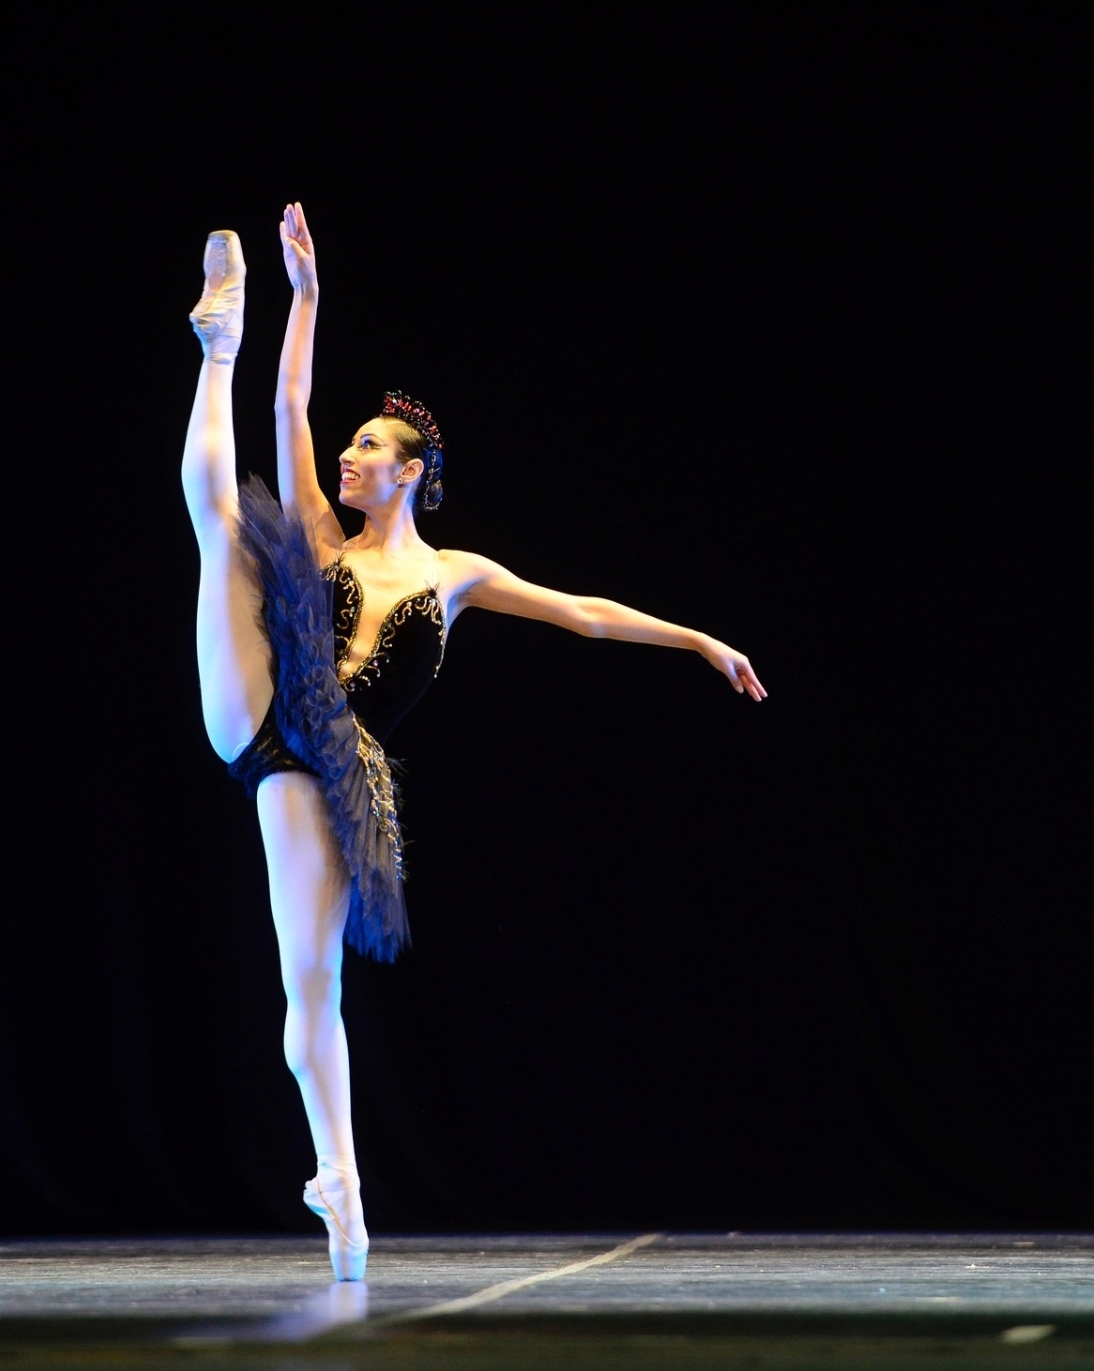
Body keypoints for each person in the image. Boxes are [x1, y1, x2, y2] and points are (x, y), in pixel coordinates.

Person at [179, 203, 766, 1281]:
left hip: (322, 772)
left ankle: (342, 1190)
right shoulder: (317, 527)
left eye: (369, 448)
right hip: (263, 707)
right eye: (350, 445)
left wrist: (698, 640)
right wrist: (303, 300)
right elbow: (292, 402)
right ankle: (219, 338)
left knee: (310, 987)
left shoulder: (458, 575)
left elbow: (584, 611)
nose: (348, 457)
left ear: (410, 472)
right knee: (220, 518)